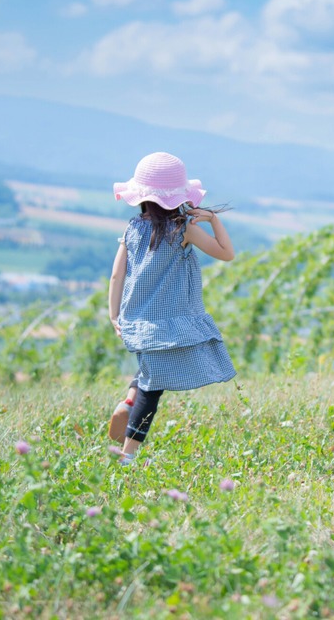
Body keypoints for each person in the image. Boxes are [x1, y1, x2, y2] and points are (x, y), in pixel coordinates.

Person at [106, 152, 236, 465]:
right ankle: (127, 457)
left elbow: (116, 275)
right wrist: (215, 220)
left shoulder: (131, 229)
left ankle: (128, 399)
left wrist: (114, 315)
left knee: (151, 374)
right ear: (179, 197)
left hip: (136, 321)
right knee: (154, 388)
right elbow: (226, 253)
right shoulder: (184, 230)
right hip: (169, 324)